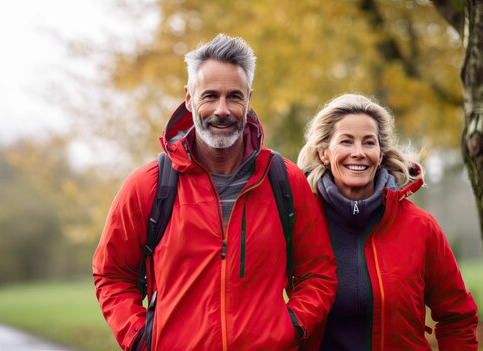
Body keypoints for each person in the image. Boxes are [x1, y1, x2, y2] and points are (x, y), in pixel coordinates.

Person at [92, 34, 338, 351]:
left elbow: (318, 274)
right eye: (210, 96)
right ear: (189, 97)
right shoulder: (148, 185)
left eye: (234, 97)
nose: (221, 110)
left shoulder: (284, 180)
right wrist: (142, 339)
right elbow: (111, 275)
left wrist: (288, 329)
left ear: (249, 98)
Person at [297, 93, 478, 351]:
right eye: (346, 141)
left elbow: (457, 317)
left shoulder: (421, 227)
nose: (358, 153)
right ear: (324, 153)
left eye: (369, 143)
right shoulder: (299, 224)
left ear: (380, 154)